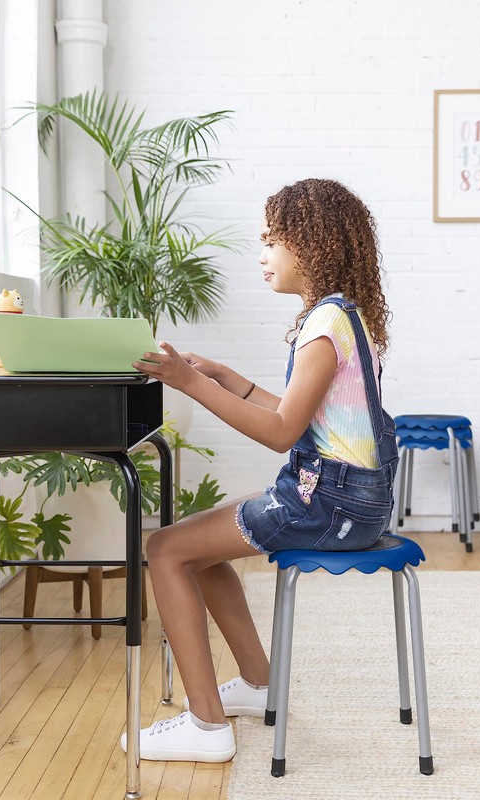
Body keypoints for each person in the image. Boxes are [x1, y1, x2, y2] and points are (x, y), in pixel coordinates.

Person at [123, 177, 398, 763]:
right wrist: (226, 377)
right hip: (356, 503)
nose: (262, 255)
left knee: (166, 549)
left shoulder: (322, 328)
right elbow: (302, 414)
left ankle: (205, 724)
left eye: (273, 241)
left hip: (327, 505)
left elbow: (281, 434)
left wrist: (190, 384)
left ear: (313, 245)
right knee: (201, 543)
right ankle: (257, 684)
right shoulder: (347, 319)